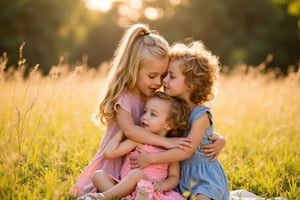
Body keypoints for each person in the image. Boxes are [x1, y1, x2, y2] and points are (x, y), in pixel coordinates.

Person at [68, 23, 193, 197]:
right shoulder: (124, 98)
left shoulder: (154, 98)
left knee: (136, 183)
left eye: (162, 76)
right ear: (133, 69)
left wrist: (212, 137)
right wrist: (166, 143)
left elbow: (180, 118)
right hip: (115, 161)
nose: (158, 83)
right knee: (105, 179)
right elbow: (130, 131)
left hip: (139, 164)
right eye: (152, 76)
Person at [130, 40, 230, 200]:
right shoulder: (171, 109)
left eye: (172, 76)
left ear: (191, 84)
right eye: (166, 75)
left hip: (203, 176)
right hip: (179, 175)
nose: (164, 80)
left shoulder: (201, 114)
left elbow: (188, 149)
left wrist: (151, 159)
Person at [80, 92, 190, 200]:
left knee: (136, 174)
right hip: (125, 189)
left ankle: (102, 197)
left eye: (153, 114)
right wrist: (125, 130)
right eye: (145, 111)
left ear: (169, 124)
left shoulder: (171, 149)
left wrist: (162, 185)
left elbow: (174, 177)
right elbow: (109, 153)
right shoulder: (138, 141)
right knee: (98, 175)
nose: (144, 117)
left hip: (150, 191)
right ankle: (118, 196)